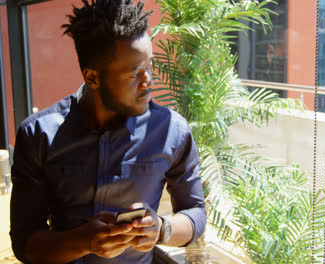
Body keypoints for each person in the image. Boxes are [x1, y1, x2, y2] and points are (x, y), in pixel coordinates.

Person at [9, 0, 206, 263]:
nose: (149, 82)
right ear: (92, 77)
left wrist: (161, 228)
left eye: (148, 66)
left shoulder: (172, 130)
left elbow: (195, 212)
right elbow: (25, 243)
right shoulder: (38, 135)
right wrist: (82, 242)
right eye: (135, 72)